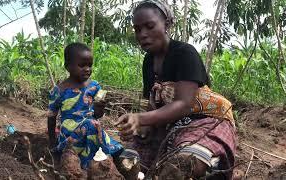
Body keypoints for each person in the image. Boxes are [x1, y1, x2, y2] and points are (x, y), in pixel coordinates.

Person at [115, 1, 236, 179]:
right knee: (127, 160)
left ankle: (207, 166)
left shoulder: (184, 53)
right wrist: (139, 127)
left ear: (167, 24)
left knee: (182, 163)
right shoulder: (148, 61)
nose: (143, 34)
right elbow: (153, 106)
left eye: (149, 26)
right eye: (137, 29)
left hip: (205, 121)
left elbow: (183, 104)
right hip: (170, 125)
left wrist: (139, 118)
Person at [47, 42, 138, 174]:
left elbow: (97, 115)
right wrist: (52, 143)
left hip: (93, 131)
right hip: (71, 136)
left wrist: (99, 108)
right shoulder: (59, 90)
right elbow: (51, 117)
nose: (87, 69)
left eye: (90, 65)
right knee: (92, 125)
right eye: (82, 65)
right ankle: (89, 166)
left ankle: (122, 163)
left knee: (98, 129)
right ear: (68, 67)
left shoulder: (94, 87)